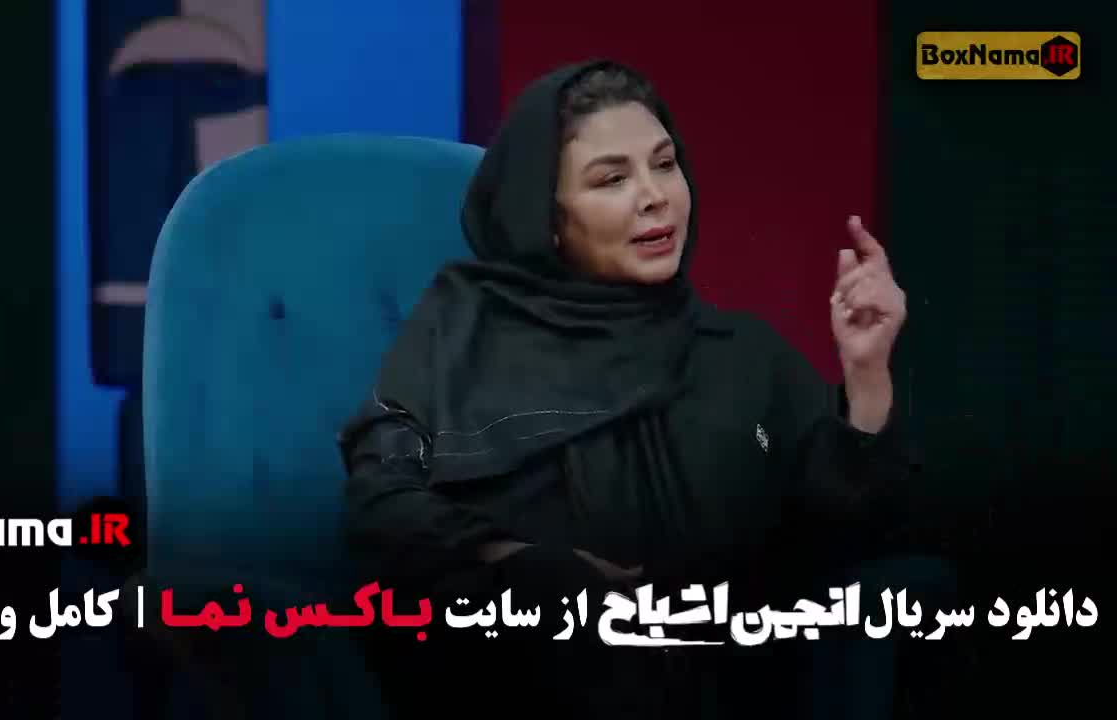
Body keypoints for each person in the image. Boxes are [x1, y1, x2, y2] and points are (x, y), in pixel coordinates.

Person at [337, 59, 920, 719]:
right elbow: (380, 499)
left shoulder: (744, 355)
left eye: (664, 165)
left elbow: (844, 537)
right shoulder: (461, 330)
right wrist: (515, 561)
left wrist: (867, 377)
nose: (655, 196)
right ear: (546, 216)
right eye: (612, 179)